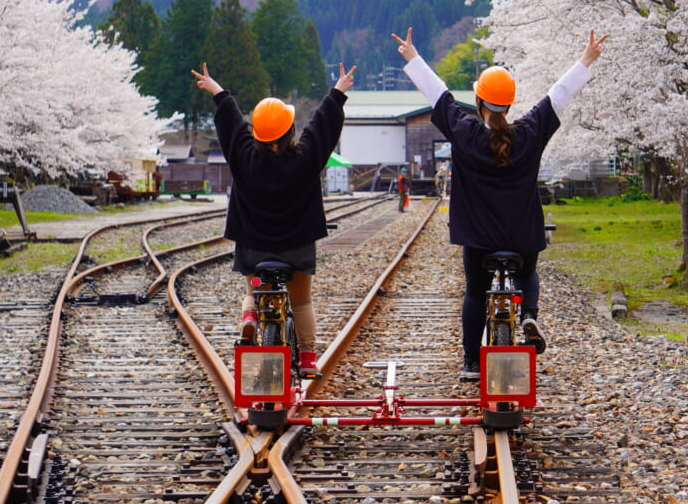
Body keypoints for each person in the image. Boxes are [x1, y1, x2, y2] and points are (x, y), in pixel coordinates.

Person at [390, 27, 608, 380]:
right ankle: (528, 316)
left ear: (478, 102)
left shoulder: (464, 132)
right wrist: (585, 60)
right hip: (522, 236)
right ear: (510, 103)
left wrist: (414, 58)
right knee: (527, 271)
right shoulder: (529, 132)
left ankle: (472, 364)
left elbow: (438, 94)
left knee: (476, 293)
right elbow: (558, 95)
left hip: (478, 239)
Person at [192, 61, 356, 380]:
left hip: (253, 248)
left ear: (257, 132)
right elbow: (322, 128)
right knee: (302, 301)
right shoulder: (305, 158)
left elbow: (230, 126)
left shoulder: (243, 157)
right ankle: (307, 358)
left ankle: (251, 315)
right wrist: (337, 93)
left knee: (252, 292)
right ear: (290, 130)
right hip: (296, 248)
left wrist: (219, 92)